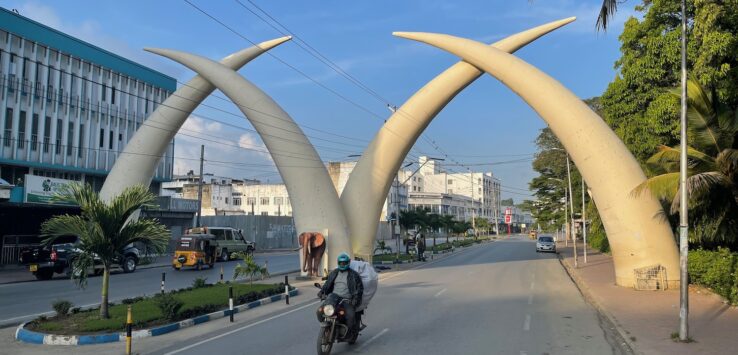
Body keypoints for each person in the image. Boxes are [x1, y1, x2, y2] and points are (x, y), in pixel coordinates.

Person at [318, 252, 364, 338]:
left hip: (347, 299)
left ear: (348, 263)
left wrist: (355, 300)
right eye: (341, 263)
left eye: (344, 263)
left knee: (350, 316)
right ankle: (328, 327)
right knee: (319, 311)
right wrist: (322, 292)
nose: (342, 264)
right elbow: (327, 284)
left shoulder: (354, 275)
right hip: (333, 297)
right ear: (338, 263)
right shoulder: (334, 273)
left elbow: (359, 289)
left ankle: (350, 334)